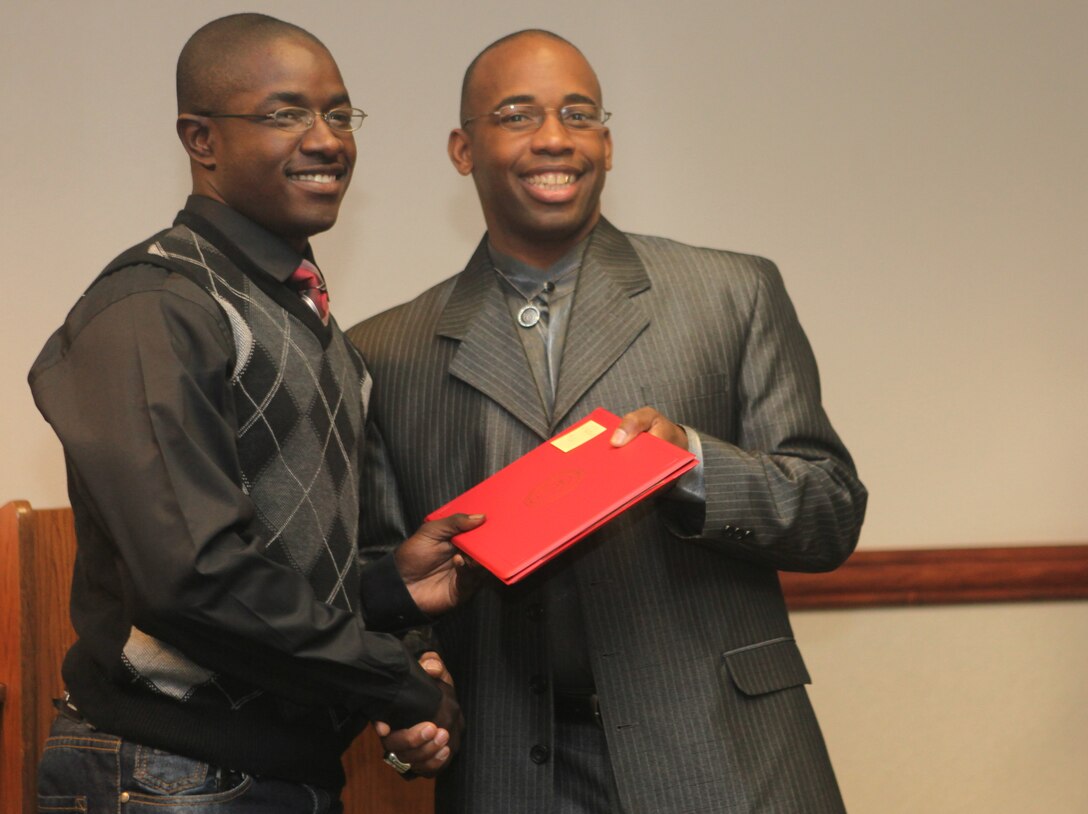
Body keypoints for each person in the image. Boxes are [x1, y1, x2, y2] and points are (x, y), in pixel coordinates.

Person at [347, 29, 868, 814]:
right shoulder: (388, 349)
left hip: (727, 760)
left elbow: (828, 512)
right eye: (518, 115)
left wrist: (690, 464)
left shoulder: (733, 293)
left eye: (579, 114)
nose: (554, 138)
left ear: (609, 143)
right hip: (509, 773)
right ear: (463, 149)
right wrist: (413, 684)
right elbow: (388, 571)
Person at [29, 13, 479, 813]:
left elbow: (277, 571)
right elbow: (193, 580)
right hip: (168, 775)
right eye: (285, 114)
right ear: (201, 140)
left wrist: (389, 594)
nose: (327, 139)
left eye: (339, 114)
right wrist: (394, 682)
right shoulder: (155, 306)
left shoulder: (323, 334)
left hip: (278, 776)